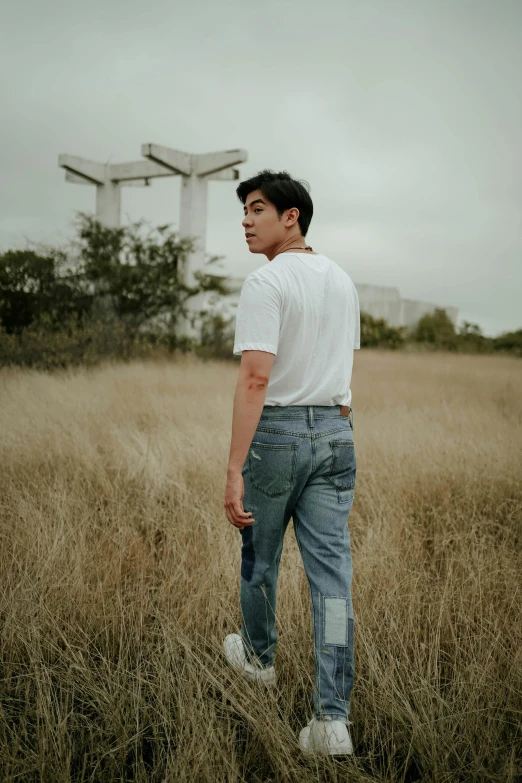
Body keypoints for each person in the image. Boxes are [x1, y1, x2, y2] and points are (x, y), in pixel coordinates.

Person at [223, 169, 360, 756]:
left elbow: (256, 378)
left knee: (261, 555)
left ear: (291, 218)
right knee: (332, 581)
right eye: (245, 211)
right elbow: (345, 382)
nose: (246, 221)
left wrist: (234, 469)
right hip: (337, 431)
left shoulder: (267, 281)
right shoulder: (343, 280)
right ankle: (332, 720)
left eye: (257, 209)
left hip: (277, 434)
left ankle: (258, 659)